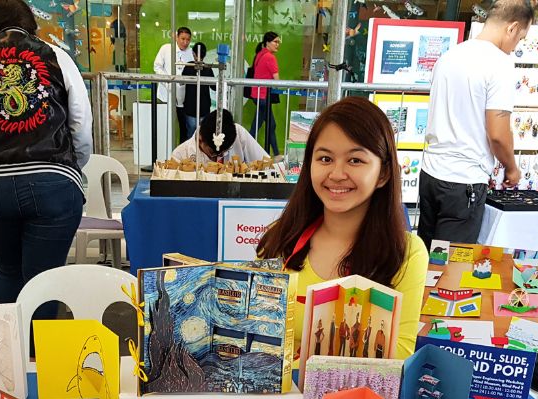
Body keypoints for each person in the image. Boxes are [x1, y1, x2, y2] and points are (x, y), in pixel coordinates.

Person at [0, 0, 92, 309]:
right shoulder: (57, 56)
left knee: (7, 270)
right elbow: (80, 122)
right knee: (44, 280)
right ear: (32, 27)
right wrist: (74, 166)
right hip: (52, 181)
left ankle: (9, 340)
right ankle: (39, 342)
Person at [256, 97, 428, 359]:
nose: (336, 174)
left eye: (355, 160)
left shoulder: (406, 253)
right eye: (325, 158)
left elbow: (399, 356)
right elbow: (257, 338)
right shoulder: (279, 239)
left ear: (383, 174)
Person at [417, 0, 533, 250]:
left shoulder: (449, 56)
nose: (516, 46)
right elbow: (498, 134)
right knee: (451, 265)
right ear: (512, 28)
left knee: (428, 256)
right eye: (520, 38)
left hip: (431, 174)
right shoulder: (499, 64)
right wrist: (512, 169)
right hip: (463, 181)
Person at [170, 109, 268, 163]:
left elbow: (267, 165)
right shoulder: (180, 156)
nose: (218, 158)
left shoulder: (239, 133)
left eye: (224, 153)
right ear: (200, 139)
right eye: (212, 153)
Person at [153, 26, 194, 143]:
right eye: (183, 39)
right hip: (166, 94)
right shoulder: (166, 48)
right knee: (166, 125)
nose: (185, 42)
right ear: (176, 37)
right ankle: (166, 149)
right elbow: (157, 66)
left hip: (184, 98)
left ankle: (182, 150)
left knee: (184, 127)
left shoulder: (191, 53)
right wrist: (168, 81)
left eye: (188, 39)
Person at [249, 32, 280, 157]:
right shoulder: (270, 57)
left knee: (269, 125)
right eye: (275, 42)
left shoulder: (260, 54)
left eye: (278, 42)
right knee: (256, 127)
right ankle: (245, 151)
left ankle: (276, 154)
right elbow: (277, 81)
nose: (277, 44)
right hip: (263, 96)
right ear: (267, 42)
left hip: (257, 95)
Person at [183, 42, 214, 137]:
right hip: (204, 107)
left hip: (190, 107)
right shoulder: (208, 68)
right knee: (203, 135)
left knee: (191, 135)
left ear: (193, 53)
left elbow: (181, 82)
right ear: (205, 54)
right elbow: (214, 87)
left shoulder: (188, 67)